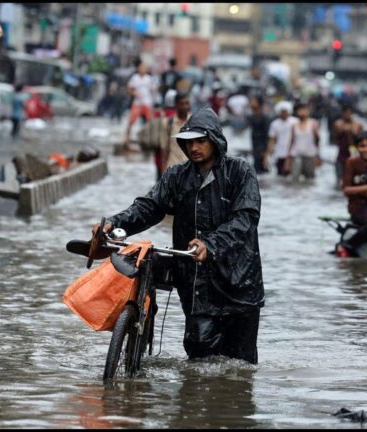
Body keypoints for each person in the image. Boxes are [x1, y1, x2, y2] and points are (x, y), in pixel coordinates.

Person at [93, 107, 264, 364]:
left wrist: (210, 244)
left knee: (240, 366)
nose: (194, 147)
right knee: (199, 359)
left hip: (239, 284)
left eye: (201, 141)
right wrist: (114, 223)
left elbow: (245, 219)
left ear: (215, 140)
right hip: (195, 283)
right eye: (188, 142)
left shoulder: (240, 172)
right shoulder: (177, 176)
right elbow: (149, 207)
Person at [284, 101, 321, 181]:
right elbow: (291, 141)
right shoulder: (294, 125)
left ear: (308, 111)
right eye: (300, 110)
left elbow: (317, 140)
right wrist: (288, 159)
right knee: (295, 177)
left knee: (310, 178)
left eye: (304, 110)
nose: (302, 112)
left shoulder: (313, 123)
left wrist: (318, 155)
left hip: (310, 154)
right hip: (296, 154)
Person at [123, 59, 156, 146]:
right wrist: (134, 93)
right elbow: (129, 88)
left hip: (147, 102)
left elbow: (153, 90)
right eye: (141, 68)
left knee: (150, 121)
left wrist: (154, 100)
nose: (142, 70)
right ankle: (127, 138)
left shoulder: (149, 78)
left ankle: (150, 139)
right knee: (131, 121)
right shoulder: (135, 78)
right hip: (137, 102)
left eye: (144, 68)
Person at [159, 91, 191, 173]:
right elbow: (164, 149)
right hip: (173, 169)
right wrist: (163, 172)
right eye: (182, 104)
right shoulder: (167, 123)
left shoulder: (194, 121)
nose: (185, 106)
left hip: (190, 170)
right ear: (176, 104)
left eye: (187, 103)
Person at [332, 104, 362, 188]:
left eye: (349, 113)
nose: (347, 115)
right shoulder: (338, 124)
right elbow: (335, 139)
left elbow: (361, 139)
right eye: (346, 113)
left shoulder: (357, 125)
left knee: (354, 179)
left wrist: (352, 132)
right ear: (342, 113)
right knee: (339, 180)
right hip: (341, 154)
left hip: (353, 154)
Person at [265, 101, 298, 177]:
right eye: (282, 112)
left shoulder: (295, 122)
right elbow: (272, 140)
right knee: (280, 174)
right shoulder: (274, 124)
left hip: (293, 153)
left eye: (285, 111)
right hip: (280, 153)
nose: (284, 113)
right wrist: (268, 154)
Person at [247, 96, 271, 174]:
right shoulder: (252, 117)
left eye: (253, 101)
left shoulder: (265, 117)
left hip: (262, 149)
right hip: (255, 148)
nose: (251, 103)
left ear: (259, 104)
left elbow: (268, 135)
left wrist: (266, 152)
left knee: (262, 170)